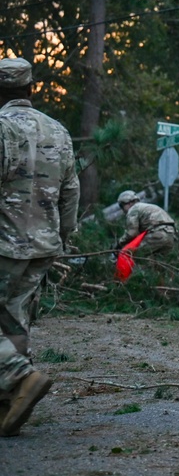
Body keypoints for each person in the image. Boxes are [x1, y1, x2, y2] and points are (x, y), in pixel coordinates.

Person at [0, 57, 80, 437]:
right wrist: (62, 237)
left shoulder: (1, 129)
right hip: (44, 245)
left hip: (5, 244)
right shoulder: (59, 131)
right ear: (31, 89)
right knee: (13, 319)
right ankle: (9, 405)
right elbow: (71, 191)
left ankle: (20, 375)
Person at [116, 190, 178, 257]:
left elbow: (132, 233)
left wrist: (119, 243)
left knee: (131, 255)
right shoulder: (148, 207)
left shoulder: (133, 210)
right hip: (171, 236)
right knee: (158, 260)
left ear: (129, 203)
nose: (123, 210)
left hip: (157, 235)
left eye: (122, 206)